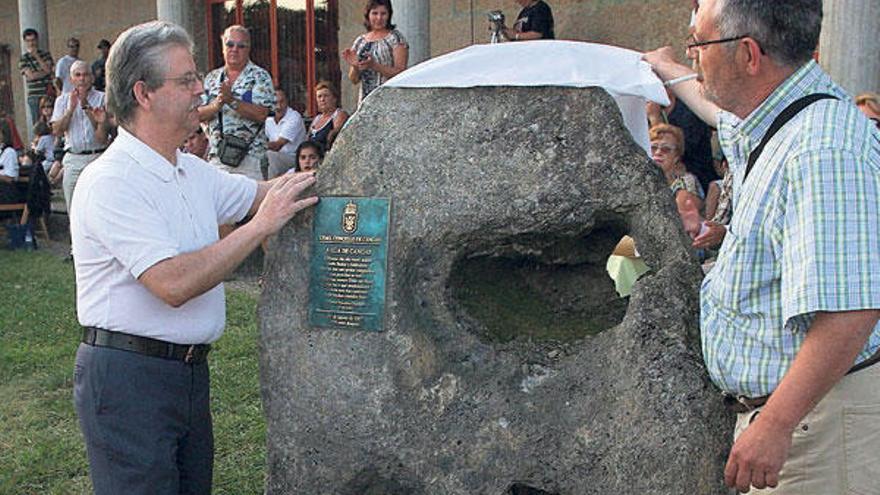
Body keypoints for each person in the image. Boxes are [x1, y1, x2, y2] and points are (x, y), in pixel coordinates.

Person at [70, 20, 317, 494]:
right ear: (144, 93)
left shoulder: (189, 171)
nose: (201, 88)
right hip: (129, 381)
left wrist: (349, 176)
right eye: (185, 80)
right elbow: (173, 283)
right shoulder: (111, 182)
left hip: (185, 375)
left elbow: (264, 193)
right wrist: (261, 227)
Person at [644, 1, 880, 493]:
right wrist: (665, 66)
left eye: (698, 45)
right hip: (798, 422)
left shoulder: (822, 147)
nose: (694, 57)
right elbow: (716, 111)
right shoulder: (778, 120)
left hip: (813, 430)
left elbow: (851, 311)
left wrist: (774, 424)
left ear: (748, 54)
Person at [198, 25, 275, 181]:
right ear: (222, 47)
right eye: (230, 44)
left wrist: (231, 101)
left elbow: (261, 114)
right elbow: (197, 114)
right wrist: (217, 105)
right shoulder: (212, 78)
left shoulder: (260, 76)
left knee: (252, 205)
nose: (235, 49)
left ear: (248, 49)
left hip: (250, 158)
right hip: (218, 158)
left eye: (241, 46)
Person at [51, 60, 109, 214]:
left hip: (97, 155)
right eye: (78, 75)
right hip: (74, 158)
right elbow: (56, 130)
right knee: (74, 209)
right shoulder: (62, 101)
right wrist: (70, 110)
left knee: (99, 208)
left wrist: (85, 105)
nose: (82, 79)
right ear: (71, 79)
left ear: (92, 78)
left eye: (85, 75)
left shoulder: (102, 98)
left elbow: (102, 134)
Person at [342, 0, 409, 107]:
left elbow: (401, 72)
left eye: (383, 14)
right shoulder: (360, 41)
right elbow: (354, 80)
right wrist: (355, 66)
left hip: (389, 100)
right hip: (365, 101)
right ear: (368, 15)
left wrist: (374, 66)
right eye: (375, 13)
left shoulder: (395, 39)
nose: (379, 18)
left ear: (389, 15)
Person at [265, 87, 306, 178]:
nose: (278, 106)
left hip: (294, 158)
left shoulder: (294, 117)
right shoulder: (268, 119)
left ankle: (268, 187)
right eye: (275, 103)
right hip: (279, 156)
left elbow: (278, 145)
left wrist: (258, 146)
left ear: (287, 102)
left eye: (282, 102)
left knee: (270, 156)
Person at [19, 28, 55, 124]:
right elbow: (31, 76)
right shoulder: (24, 59)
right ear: (25, 42)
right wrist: (44, 72)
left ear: (37, 40)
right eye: (28, 41)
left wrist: (37, 56)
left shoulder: (46, 55)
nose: (31, 43)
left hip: (47, 94)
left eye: (33, 40)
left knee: (52, 121)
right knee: (38, 124)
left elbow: (48, 70)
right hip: (34, 96)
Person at [309, 80, 349, 151]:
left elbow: (335, 137)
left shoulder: (339, 114)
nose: (322, 99)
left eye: (326, 96)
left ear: (334, 98)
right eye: (319, 96)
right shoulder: (317, 119)